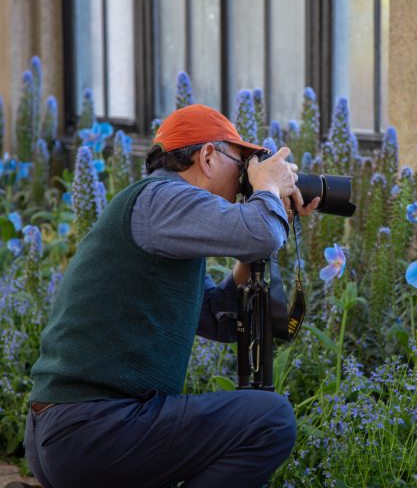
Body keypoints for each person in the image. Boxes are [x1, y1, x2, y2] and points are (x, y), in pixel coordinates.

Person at [20, 104, 320, 488]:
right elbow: (260, 231)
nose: (245, 175)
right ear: (208, 156)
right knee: (270, 419)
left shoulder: (160, 209)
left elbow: (216, 315)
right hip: (91, 429)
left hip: (76, 432)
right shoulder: (160, 198)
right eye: (241, 162)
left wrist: (266, 219)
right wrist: (267, 191)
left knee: (254, 420)